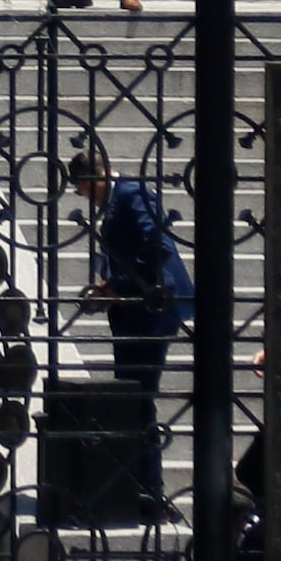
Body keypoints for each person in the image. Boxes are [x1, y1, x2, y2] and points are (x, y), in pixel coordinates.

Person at [84, 139, 191, 400]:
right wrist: (108, 287)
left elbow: (158, 246)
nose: (87, 198)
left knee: (140, 391)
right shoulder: (117, 198)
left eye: (85, 189)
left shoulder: (131, 193)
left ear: (98, 178)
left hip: (153, 305)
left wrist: (116, 286)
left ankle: (145, 428)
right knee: (129, 390)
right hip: (133, 310)